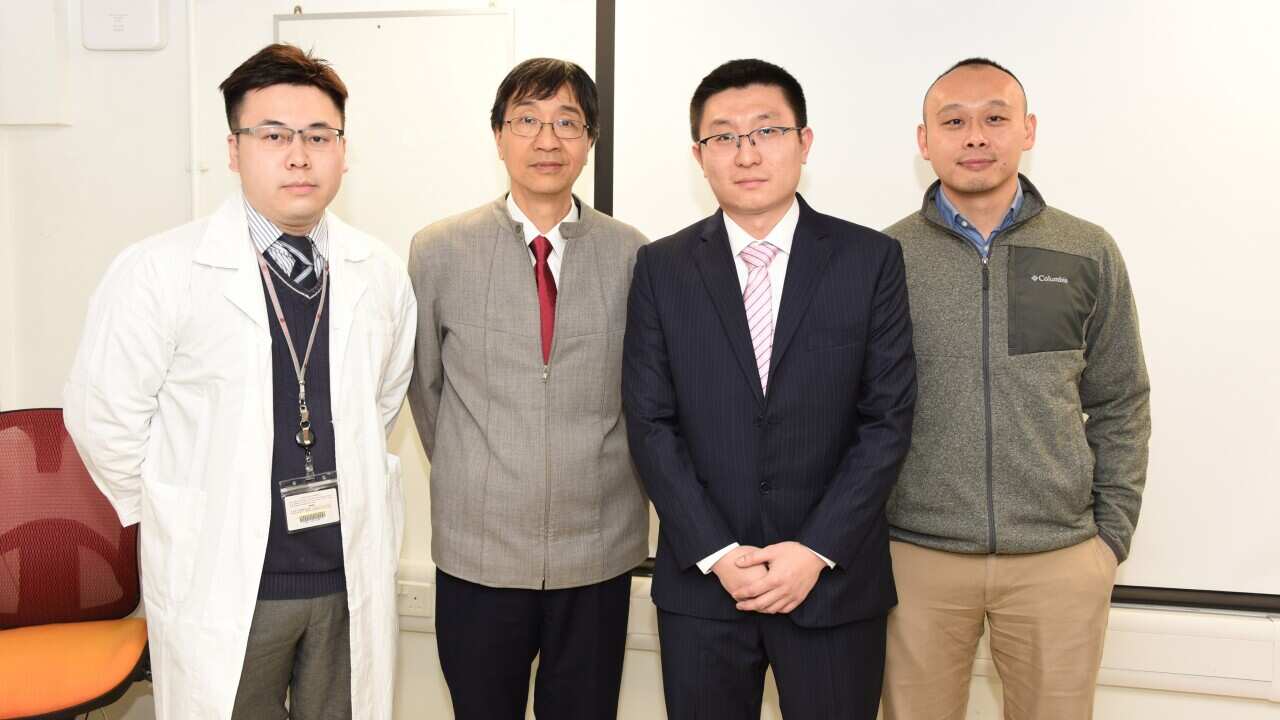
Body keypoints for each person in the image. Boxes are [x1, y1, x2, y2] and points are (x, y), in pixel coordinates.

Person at [63, 43, 416, 720]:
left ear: (344, 149)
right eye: (273, 135)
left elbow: (381, 399)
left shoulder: (379, 272)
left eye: (320, 135)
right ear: (234, 149)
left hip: (346, 579)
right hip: (228, 583)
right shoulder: (159, 271)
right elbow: (102, 417)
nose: (298, 154)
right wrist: (190, 515)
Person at [622, 58, 917, 720]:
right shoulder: (661, 268)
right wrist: (719, 553)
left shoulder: (869, 261)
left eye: (767, 131)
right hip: (704, 591)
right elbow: (649, 423)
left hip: (833, 585)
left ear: (804, 143)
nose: (746, 152)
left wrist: (814, 551)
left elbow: (887, 421)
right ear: (699, 156)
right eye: (723, 136)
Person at [880, 57, 1151, 720]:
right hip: (916, 559)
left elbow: (1120, 399)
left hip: (1058, 561)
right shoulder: (883, 257)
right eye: (954, 121)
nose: (975, 136)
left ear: (1027, 130)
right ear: (925, 140)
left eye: (995, 118)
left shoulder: (1086, 250)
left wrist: (1107, 538)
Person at [406, 58, 649, 719]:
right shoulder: (439, 250)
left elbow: (644, 396)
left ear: (591, 138)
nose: (548, 140)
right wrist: (483, 465)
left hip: (596, 554)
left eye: (567, 121)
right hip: (479, 551)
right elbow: (426, 388)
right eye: (528, 121)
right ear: (498, 134)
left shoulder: (633, 254)